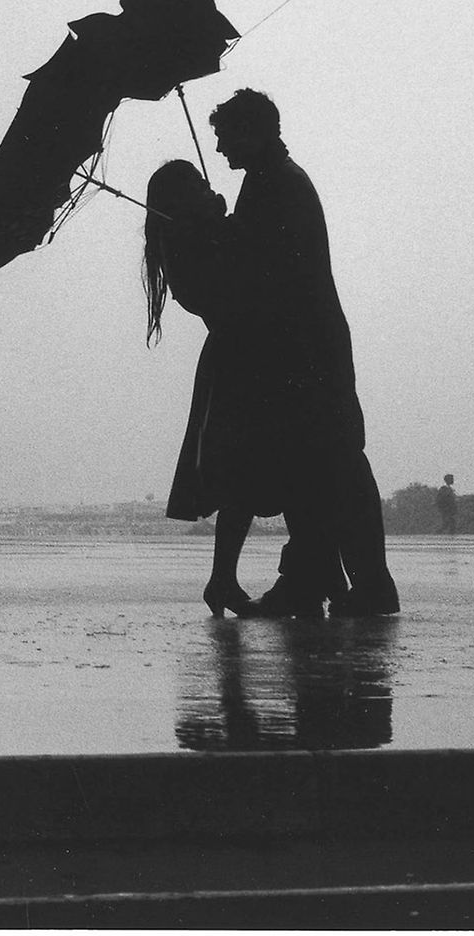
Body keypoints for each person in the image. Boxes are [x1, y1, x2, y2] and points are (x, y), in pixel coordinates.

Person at [209, 89, 397, 618]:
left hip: (303, 352)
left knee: (324, 465)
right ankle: (328, 580)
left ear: (254, 131)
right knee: (321, 466)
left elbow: (270, 273)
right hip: (309, 348)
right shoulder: (275, 181)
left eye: (226, 136)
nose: (220, 148)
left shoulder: (277, 186)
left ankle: (340, 582)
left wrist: (224, 236)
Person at [143, 159, 273, 617]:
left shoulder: (187, 242)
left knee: (243, 476)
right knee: (242, 475)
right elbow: (237, 285)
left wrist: (222, 225)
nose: (209, 189)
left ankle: (222, 580)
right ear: (183, 199)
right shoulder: (190, 246)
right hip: (239, 364)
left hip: (234, 361)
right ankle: (222, 580)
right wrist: (225, 227)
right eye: (199, 186)